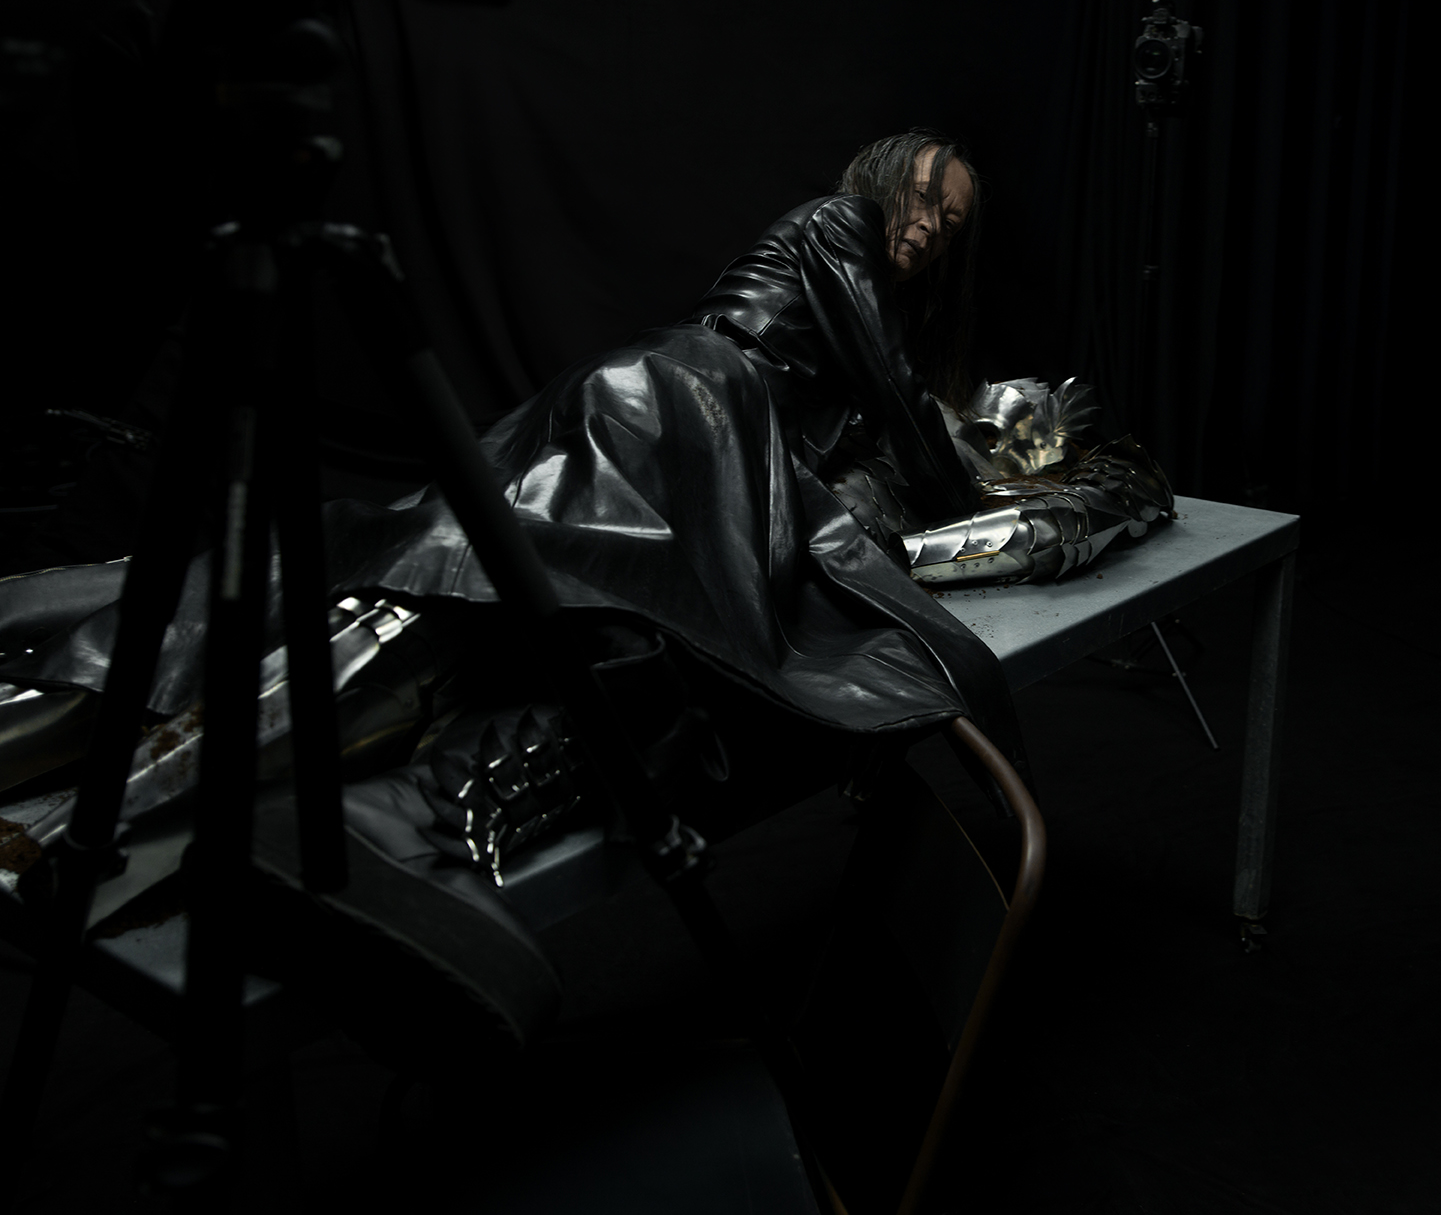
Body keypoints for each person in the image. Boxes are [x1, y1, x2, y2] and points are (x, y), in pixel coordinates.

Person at [0, 131, 1130, 1059]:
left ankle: (181, 798)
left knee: (492, 613)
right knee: (458, 596)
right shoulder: (838, 228)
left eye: (951, 221)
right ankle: (111, 797)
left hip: (698, 439)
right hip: (678, 410)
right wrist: (965, 482)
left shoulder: (857, 330)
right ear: (882, 180)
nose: (928, 226)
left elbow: (863, 437)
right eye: (924, 197)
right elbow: (889, 390)